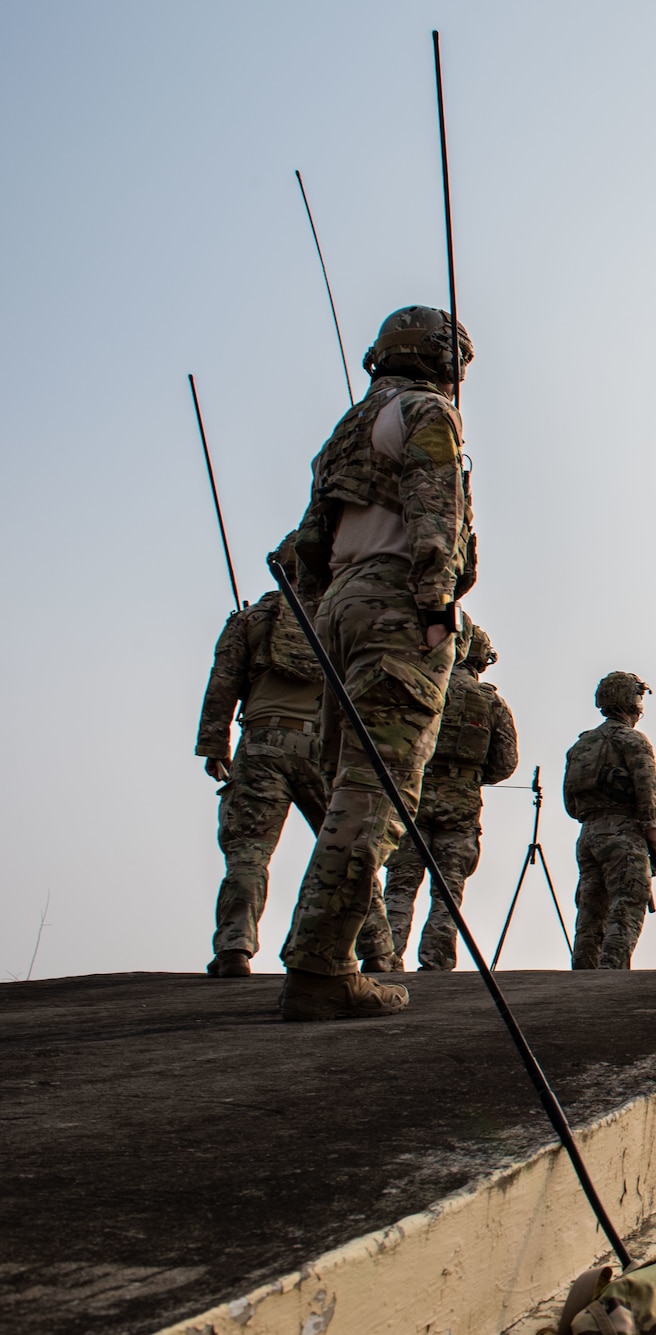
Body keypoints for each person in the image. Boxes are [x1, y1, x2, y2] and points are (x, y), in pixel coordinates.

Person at [273, 304, 477, 1021]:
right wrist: (433, 601)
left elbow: (308, 542)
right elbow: (435, 511)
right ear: (439, 357)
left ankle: (319, 954)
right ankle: (322, 966)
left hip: (338, 607)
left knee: (348, 785)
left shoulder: (347, 431)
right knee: (376, 790)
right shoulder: (427, 413)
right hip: (394, 602)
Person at [195, 532, 327, 976]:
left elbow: (222, 686)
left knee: (249, 854)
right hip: (325, 750)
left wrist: (214, 746)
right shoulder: (340, 617)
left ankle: (235, 947)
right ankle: (373, 951)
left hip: (262, 743)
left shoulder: (251, 620)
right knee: (343, 850)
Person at [372, 620, 518, 971]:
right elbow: (506, 763)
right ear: (482, 660)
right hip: (461, 804)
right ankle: (437, 960)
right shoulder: (491, 702)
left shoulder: (422, 688)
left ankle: (385, 957)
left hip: (413, 795)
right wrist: (468, 776)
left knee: (400, 886)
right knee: (448, 890)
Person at [563, 672, 656, 969]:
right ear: (630, 699)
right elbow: (648, 794)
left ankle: (582, 977)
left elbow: (570, 803)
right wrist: (653, 841)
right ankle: (612, 974)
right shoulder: (633, 741)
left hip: (588, 833)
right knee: (628, 904)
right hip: (624, 832)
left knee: (590, 911)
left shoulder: (581, 745)